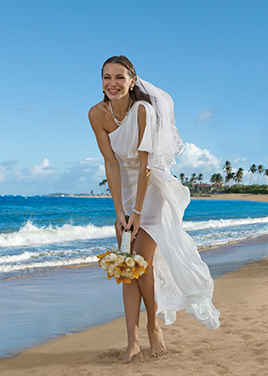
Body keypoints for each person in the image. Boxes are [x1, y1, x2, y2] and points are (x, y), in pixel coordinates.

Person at [89, 56, 220, 361]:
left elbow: (146, 163)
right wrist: (119, 211)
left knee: (139, 261)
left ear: (132, 80)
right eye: (107, 77)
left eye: (120, 77)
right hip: (126, 190)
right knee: (126, 268)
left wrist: (136, 212)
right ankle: (132, 340)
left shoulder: (143, 110)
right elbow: (111, 163)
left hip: (153, 190)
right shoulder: (96, 114)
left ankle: (153, 327)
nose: (113, 83)